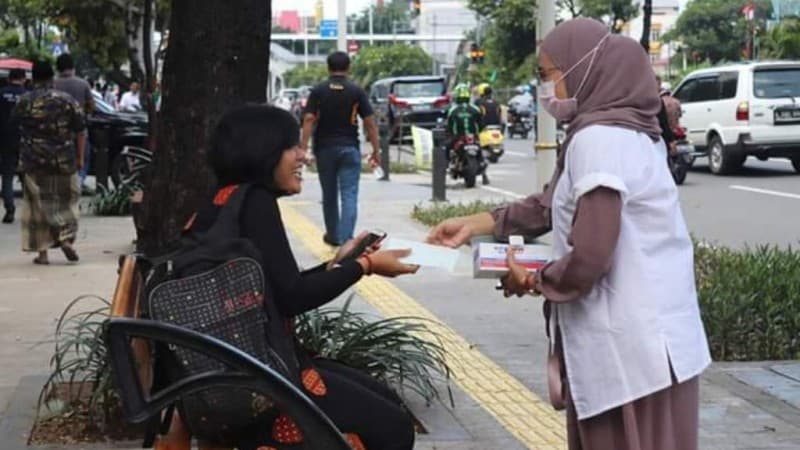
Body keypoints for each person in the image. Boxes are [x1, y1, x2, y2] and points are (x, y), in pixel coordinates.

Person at [427, 18, 710, 450]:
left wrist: (537, 279)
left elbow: (593, 253)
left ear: (584, 69)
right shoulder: (633, 131)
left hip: (628, 352)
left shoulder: (598, 139)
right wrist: (477, 224)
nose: (544, 90)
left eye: (547, 75)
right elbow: (553, 203)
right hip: (661, 343)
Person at [184, 104, 417, 449]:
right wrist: (365, 267)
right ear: (263, 151)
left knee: (385, 401)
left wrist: (338, 263)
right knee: (395, 430)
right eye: (292, 147)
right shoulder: (256, 203)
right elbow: (294, 298)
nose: (302, 157)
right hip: (259, 383)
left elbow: (279, 287)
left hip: (232, 372)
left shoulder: (223, 202)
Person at [300, 51, 381, 247]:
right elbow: (370, 122)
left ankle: (333, 236)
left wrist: (303, 148)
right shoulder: (356, 91)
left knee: (329, 195)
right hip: (349, 149)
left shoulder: (318, 91)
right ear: (348, 68)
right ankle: (347, 240)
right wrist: (376, 149)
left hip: (325, 149)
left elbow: (309, 119)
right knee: (349, 194)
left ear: (328, 68)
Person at [12, 60, 86, 265]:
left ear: (32, 78)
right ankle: (66, 239)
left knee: (36, 207)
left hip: (32, 160)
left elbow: (14, 127)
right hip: (64, 159)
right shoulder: (67, 100)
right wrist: (80, 157)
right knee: (67, 201)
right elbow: (80, 130)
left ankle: (42, 254)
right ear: (52, 77)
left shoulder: (24, 101)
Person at [54, 53, 94, 189]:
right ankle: (79, 181)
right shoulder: (83, 84)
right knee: (83, 156)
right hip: (79, 129)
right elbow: (91, 106)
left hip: (57, 129)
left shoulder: (52, 84)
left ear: (58, 67)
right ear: (72, 66)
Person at [445, 84, 488, 184]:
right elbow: (481, 124)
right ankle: (484, 174)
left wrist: (449, 134)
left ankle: (446, 166)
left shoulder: (453, 110)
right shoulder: (475, 109)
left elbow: (450, 126)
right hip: (472, 136)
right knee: (480, 152)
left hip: (458, 137)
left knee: (446, 148)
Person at [0, 69, 27, 224]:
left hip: (6, 140)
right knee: (27, 177)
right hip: (25, 141)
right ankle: (31, 209)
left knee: (8, 176)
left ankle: (10, 209)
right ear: (23, 79)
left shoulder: (1, 94)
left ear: (9, 78)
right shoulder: (27, 95)